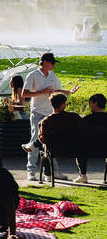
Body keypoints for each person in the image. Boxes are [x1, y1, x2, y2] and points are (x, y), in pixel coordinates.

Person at [22, 52, 79, 181]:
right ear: (46, 63)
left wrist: (68, 92)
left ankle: (52, 172)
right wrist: (42, 92)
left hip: (50, 114)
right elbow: (24, 94)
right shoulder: (33, 75)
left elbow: (56, 90)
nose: (54, 65)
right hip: (37, 113)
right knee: (36, 140)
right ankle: (31, 171)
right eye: (52, 63)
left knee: (50, 143)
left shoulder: (52, 75)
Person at [75, 93, 107, 183]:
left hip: (88, 149)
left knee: (79, 145)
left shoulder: (87, 119)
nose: (89, 105)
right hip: (105, 149)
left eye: (90, 103)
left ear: (95, 103)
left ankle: (83, 175)